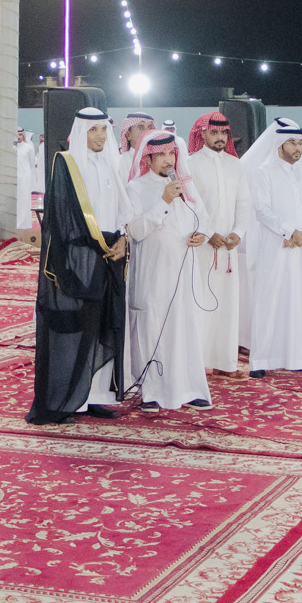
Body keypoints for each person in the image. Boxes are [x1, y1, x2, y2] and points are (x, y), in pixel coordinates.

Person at [27, 108, 127, 423]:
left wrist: (124, 238)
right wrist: (59, 266)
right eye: (93, 130)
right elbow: (56, 220)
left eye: (103, 130)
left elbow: (123, 210)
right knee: (74, 329)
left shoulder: (112, 164)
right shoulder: (66, 163)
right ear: (81, 132)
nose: (99, 136)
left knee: (103, 324)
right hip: (79, 257)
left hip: (110, 256)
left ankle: (94, 396)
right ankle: (64, 402)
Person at [123, 131, 213, 410]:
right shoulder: (136, 188)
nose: (168, 160)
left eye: (171, 153)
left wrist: (203, 233)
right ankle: (150, 391)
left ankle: (189, 388)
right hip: (153, 273)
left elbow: (204, 217)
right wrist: (163, 201)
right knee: (153, 327)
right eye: (160, 155)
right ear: (147, 158)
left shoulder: (185, 185)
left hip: (184, 272)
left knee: (185, 327)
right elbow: (135, 231)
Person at [244, 118, 302, 377]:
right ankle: (261, 360)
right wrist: (290, 232)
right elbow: (261, 210)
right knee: (270, 299)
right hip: (275, 245)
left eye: (300, 143)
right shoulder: (264, 172)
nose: (297, 147)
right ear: (279, 144)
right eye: (292, 142)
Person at [184, 112, 249, 374]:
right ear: (202, 134)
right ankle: (197, 364)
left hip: (228, 248)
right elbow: (188, 205)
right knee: (201, 302)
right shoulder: (190, 164)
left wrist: (238, 232)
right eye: (214, 132)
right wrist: (208, 232)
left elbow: (244, 203)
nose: (220, 137)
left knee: (227, 305)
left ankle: (224, 362)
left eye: (224, 133)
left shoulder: (236, 165)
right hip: (201, 246)